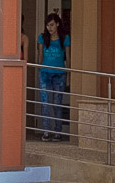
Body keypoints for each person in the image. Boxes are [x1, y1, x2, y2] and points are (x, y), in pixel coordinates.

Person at [36, 12, 70, 142]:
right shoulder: (42, 37)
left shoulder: (64, 38)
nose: (49, 28)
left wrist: (68, 75)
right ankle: (46, 131)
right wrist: (39, 69)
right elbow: (40, 55)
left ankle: (57, 132)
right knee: (45, 103)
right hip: (45, 73)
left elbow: (68, 58)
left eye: (52, 25)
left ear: (57, 24)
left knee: (57, 103)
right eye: (47, 25)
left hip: (59, 74)